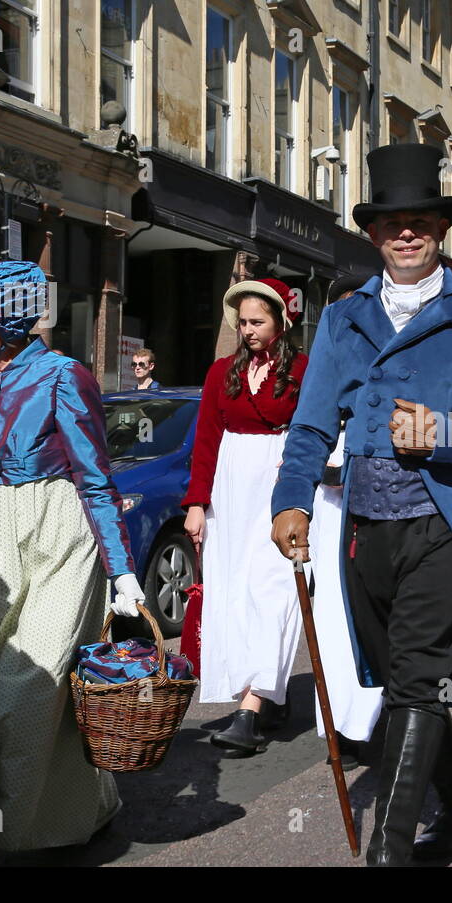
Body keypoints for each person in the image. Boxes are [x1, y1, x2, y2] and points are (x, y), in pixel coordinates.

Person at [269, 143, 452, 866]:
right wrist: (290, 500)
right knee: (399, 682)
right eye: (393, 222)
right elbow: (308, 423)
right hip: (362, 526)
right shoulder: (344, 316)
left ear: (441, 228)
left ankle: (387, 855)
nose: (407, 233)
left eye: (421, 219)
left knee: (419, 680)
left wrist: (446, 435)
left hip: (438, 522)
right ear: (373, 232)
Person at [0, 261, 145, 866]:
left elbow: (95, 476)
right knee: (4, 676)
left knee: (30, 682)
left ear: (13, 311)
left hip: (59, 535)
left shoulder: (62, 375)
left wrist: (123, 571)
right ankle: (90, 807)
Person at [183, 277, 308, 755]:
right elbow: (206, 440)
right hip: (229, 488)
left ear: (281, 322)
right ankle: (260, 696)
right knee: (234, 591)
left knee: (273, 590)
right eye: (243, 322)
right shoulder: (220, 372)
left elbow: (313, 425)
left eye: (258, 322)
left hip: (277, 483)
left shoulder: (301, 368)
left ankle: (250, 712)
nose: (248, 329)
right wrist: (196, 504)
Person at [307, 276, 383, 771]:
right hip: (330, 508)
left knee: (371, 608)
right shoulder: (325, 364)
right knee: (331, 614)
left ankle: (375, 717)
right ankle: (338, 719)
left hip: (376, 501)